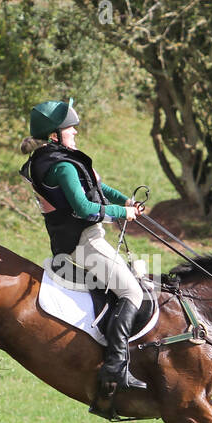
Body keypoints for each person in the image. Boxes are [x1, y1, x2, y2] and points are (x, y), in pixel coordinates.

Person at [19, 98, 148, 397]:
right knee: (133, 292)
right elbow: (85, 208)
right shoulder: (61, 166)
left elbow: (97, 189)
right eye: (70, 129)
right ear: (55, 135)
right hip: (84, 243)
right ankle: (115, 367)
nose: (75, 132)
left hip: (87, 239)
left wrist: (124, 200)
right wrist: (122, 214)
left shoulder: (58, 159)